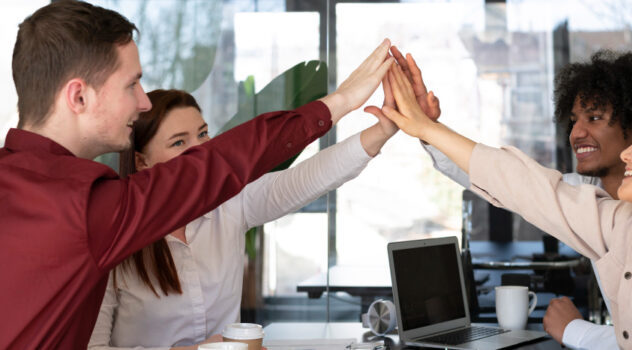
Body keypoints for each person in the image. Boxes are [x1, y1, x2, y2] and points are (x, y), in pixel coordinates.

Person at [0, 0, 394, 347]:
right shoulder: (91, 211)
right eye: (132, 84)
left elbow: (289, 180)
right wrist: (339, 102)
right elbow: (220, 164)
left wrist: (382, 129)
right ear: (78, 96)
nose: (141, 103)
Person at [382, 62, 632, 349]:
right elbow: (521, 185)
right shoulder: (630, 227)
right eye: (574, 119)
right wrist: (429, 130)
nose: (627, 153)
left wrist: (576, 331)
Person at [86, 88, 398, 349]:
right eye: (179, 143)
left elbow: (310, 178)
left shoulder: (231, 202)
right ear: (141, 161)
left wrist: (383, 130)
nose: (202, 153)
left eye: (204, 135)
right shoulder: (110, 235)